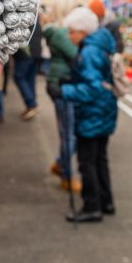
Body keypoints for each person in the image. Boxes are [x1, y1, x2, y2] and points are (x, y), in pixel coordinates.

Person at [47, 7, 118, 223]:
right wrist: (70, 82)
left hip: (92, 113)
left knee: (87, 161)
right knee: (100, 159)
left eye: (72, 31)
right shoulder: (99, 45)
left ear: (83, 31)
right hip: (103, 110)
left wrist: (64, 91)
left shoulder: (88, 52)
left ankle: (91, 207)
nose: (69, 36)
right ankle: (106, 202)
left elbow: (93, 88)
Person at [44, 22, 81, 193]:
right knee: (69, 135)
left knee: (70, 133)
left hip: (62, 85)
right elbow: (76, 55)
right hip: (62, 86)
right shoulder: (61, 36)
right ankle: (66, 175)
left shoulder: (60, 35)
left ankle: (60, 164)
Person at [12, 19, 43, 121]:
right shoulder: (35, 17)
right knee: (30, 79)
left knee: (19, 76)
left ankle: (32, 104)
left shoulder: (22, 16)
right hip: (36, 52)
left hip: (25, 54)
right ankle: (30, 106)